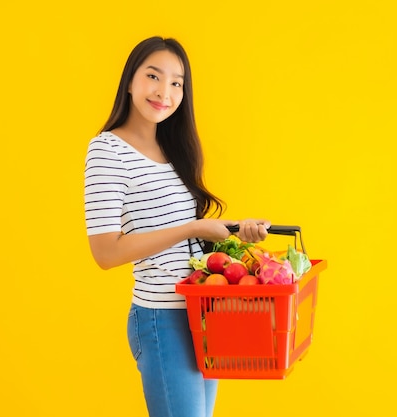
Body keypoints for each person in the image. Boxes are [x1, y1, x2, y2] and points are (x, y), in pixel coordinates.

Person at [83, 36, 270, 417]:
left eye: (176, 83)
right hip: (161, 318)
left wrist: (234, 230)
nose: (164, 91)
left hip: (204, 314)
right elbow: (105, 252)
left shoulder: (172, 152)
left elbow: (184, 232)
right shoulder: (107, 150)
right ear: (130, 80)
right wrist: (191, 228)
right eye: (154, 76)